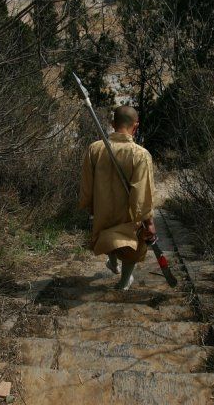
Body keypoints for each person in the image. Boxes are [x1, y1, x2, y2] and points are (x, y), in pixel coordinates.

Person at [79, 105, 156, 290]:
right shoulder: (140, 154)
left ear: (113, 124)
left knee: (107, 234)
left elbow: (86, 184)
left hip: (102, 210)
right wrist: (149, 222)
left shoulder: (95, 149)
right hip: (126, 214)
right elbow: (142, 194)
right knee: (132, 244)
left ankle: (112, 261)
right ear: (135, 126)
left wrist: (90, 206)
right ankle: (124, 282)